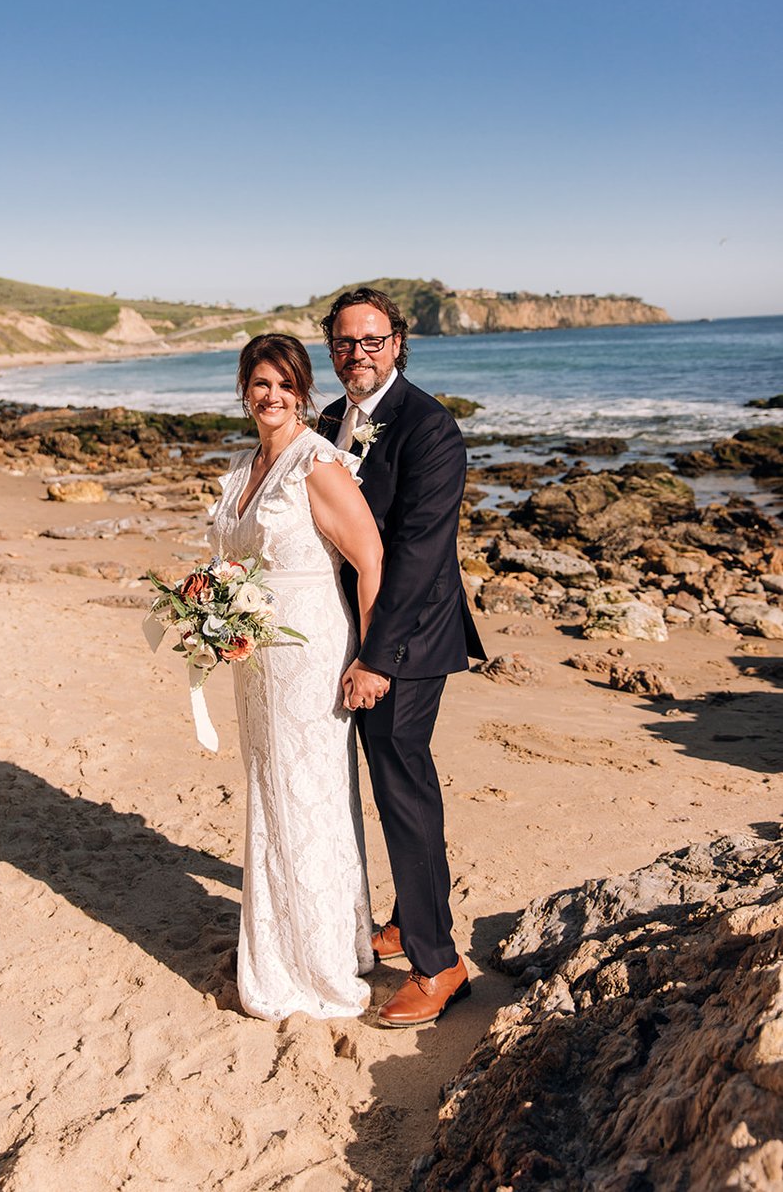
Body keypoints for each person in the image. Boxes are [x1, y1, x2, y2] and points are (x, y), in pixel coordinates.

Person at [319, 287, 486, 1028]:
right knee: (388, 783)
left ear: (399, 342)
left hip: (407, 641)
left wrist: (378, 658)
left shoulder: (430, 427)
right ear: (332, 348)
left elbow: (419, 556)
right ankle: (403, 916)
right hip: (350, 630)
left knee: (403, 788)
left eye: (372, 340)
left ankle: (439, 961)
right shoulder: (331, 421)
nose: (359, 353)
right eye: (345, 342)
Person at [208, 332, 384, 1020]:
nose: (272, 396)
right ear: (244, 390)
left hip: (310, 655)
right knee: (272, 794)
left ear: (304, 393)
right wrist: (212, 614)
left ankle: (320, 962)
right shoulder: (244, 468)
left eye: (285, 384)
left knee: (307, 795)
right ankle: (291, 943)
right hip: (256, 661)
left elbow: (369, 557)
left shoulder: (316, 462)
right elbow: (231, 564)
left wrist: (371, 656)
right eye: (260, 383)